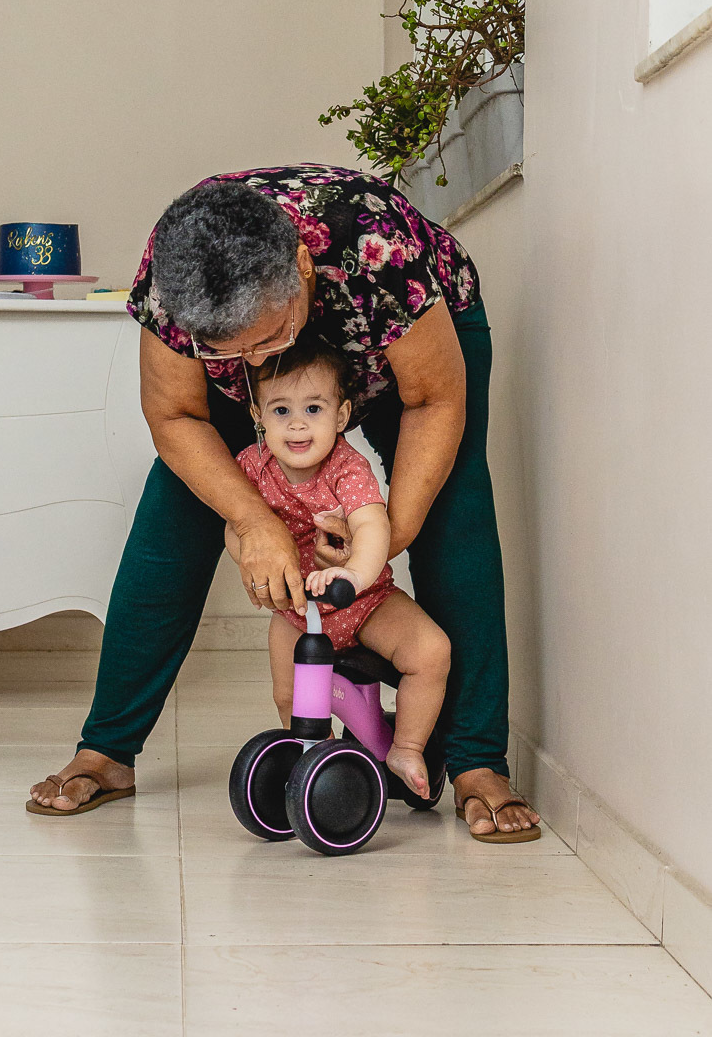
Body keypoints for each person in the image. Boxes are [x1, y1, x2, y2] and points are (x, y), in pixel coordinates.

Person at [28, 162, 541, 842]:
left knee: (454, 513)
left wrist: (381, 541)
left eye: (267, 338)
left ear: (301, 268)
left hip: (409, 338)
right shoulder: (173, 278)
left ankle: (478, 760)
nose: (251, 360)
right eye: (226, 349)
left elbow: (433, 400)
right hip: (277, 362)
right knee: (172, 517)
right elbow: (176, 415)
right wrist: (254, 520)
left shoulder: (376, 248)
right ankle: (107, 749)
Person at [225, 332, 450, 798]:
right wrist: (252, 564)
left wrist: (354, 575)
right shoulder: (251, 467)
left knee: (431, 652)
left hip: (366, 603)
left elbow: (371, 525)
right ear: (257, 414)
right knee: (288, 695)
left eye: (313, 408)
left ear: (341, 415)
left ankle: (407, 746)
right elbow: (237, 527)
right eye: (280, 410)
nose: (297, 425)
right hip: (297, 611)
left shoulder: (346, 469)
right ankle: (314, 756)